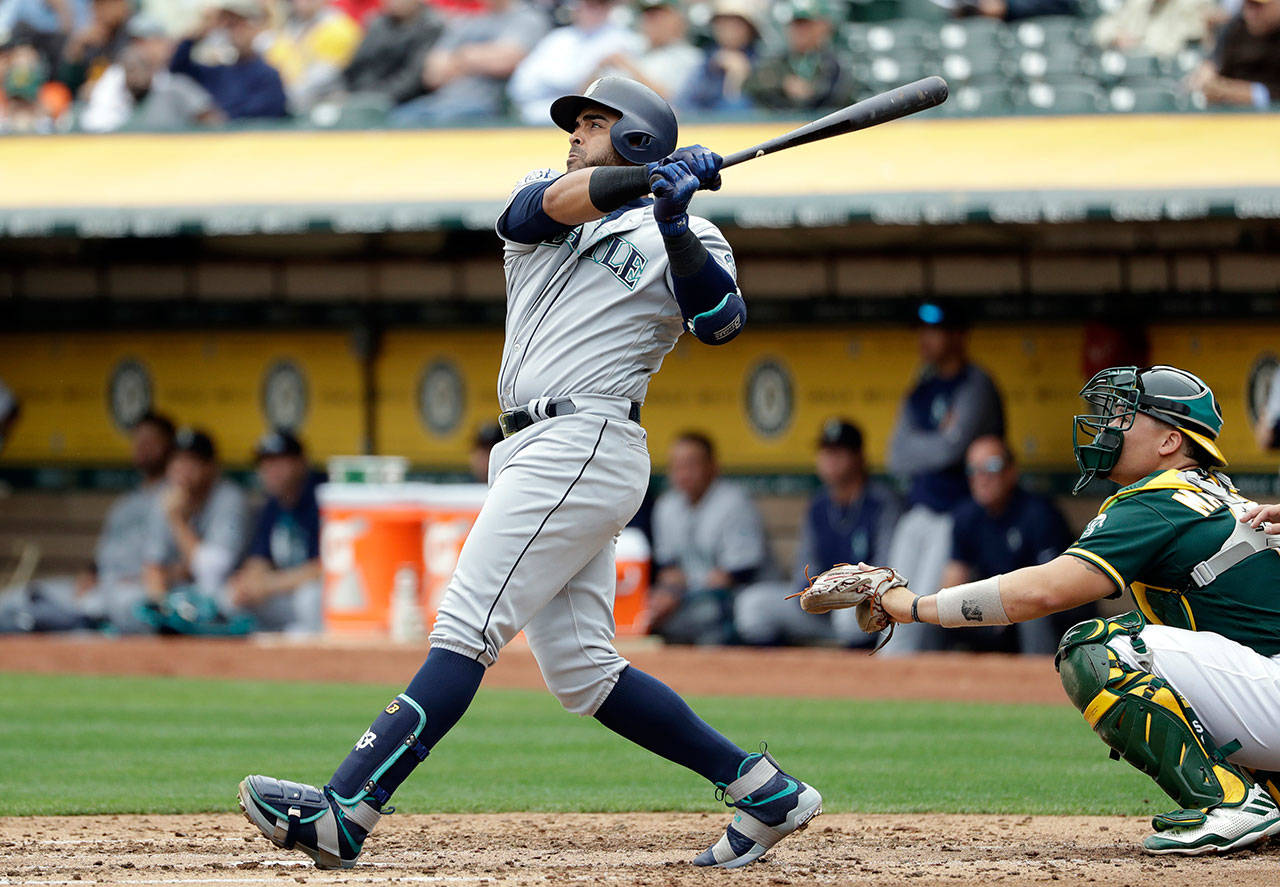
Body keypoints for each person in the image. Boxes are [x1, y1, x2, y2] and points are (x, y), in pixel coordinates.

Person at [239, 75, 820, 872]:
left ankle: (348, 808)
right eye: (576, 124)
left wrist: (676, 219)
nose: (573, 136)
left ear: (641, 136)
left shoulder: (692, 234)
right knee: (583, 673)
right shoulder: (542, 201)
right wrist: (645, 182)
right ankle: (764, 790)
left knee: (464, 626)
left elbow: (719, 322)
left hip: (585, 435)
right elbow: (532, 211)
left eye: (592, 123)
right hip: (529, 446)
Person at [809, 365, 1280, 855]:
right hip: (1267, 692)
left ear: (1168, 442)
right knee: (1148, 639)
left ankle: (1229, 804)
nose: (1106, 425)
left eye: (1124, 415)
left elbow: (1043, 592)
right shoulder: (1216, 495)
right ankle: (1264, 794)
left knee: (1100, 648)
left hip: (1270, 695)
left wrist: (913, 607)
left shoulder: (1161, 499)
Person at [881, 300, 1004, 654]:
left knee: (925, 606)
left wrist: (929, 444)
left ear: (958, 336)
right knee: (888, 600)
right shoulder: (922, 386)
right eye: (924, 331)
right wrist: (938, 440)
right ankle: (884, 677)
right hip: (919, 511)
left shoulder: (975, 383)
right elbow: (895, 455)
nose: (925, 338)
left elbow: (955, 448)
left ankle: (909, 684)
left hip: (956, 513)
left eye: (935, 331)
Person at [735, 419, 900, 646]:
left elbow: (885, 572)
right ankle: (786, 676)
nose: (829, 460)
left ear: (859, 457)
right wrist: (814, 595)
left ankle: (854, 677)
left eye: (838, 452)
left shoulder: (881, 503)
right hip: (823, 607)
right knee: (753, 605)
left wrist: (844, 592)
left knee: (849, 618)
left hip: (865, 605)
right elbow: (805, 569)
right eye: (825, 452)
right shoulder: (819, 505)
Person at [941, 435, 1075, 654]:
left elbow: (1051, 587)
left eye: (992, 467)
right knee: (948, 611)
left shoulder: (1039, 513)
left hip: (1041, 609)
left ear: (1011, 471)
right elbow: (952, 583)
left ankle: (1038, 682)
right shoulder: (966, 516)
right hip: (996, 609)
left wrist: (1004, 607)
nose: (981, 477)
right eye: (972, 469)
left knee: (1032, 616)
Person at [649, 431, 772, 645]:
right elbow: (668, 571)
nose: (683, 473)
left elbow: (734, 575)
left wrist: (680, 591)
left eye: (691, 465)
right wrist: (665, 595)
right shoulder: (666, 506)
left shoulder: (734, 503)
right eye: (677, 466)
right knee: (648, 611)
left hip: (735, 598)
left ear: (712, 467)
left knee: (708, 614)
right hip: (690, 598)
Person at [223, 430, 324, 633]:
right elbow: (259, 558)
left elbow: (323, 568)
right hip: (286, 592)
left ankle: (317, 654)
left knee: (309, 598)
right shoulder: (274, 503)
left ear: (301, 463)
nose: (270, 470)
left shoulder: (321, 497)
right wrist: (249, 582)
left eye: (279, 462)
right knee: (229, 595)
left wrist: (268, 584)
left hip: (321, 597)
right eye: (265, 463)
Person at [388, 0, 547, 125]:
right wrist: (478, 58)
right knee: (394, 120)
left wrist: (458, 58)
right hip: (440, 102)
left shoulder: (527, 19)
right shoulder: (468, 22)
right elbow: (432, 74)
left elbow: (506, 62)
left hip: (487, 107)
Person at [141, 427, 249, 603]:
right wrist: (160, 612)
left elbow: (211, 570)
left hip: (227, 591)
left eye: (191, 461)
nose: (181, 469)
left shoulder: (229, 499)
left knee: (219, 597)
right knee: (131, 601)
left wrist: (177, 520)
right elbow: (153, 568)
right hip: (181, 590)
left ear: (211, 467)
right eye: (175, 461)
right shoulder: (166, 497)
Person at [506, 0, 640, 123]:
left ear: (608, 8)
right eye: (585, 5)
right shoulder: (558, 38)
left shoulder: (623, 39)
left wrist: (557, 84)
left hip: (593, 119)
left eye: (597, 5)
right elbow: (520, 87)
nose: (590, 11)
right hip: (538, 116)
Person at [79, 25, 221, 131]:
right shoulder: (113, 88)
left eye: (147, 41)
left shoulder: (176, 87)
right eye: (135, 42)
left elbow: (215, 123)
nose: (136, 75)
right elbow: (94, 121)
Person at [169, 0, 289, 119]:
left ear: (255, 28)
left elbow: (263, 112)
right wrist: (201, 31)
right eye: (231, 25)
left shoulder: (268, 75)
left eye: (241, 24)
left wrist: (219, 118)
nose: (236, 31)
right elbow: (177, 67)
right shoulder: (218, 73)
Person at [743, 0, 853, 112]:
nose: (800, 31)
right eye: (796, 25)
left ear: (822, 27)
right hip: (779, 125)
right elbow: (752, 86)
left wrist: (812, 91)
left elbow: (840, 94)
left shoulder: (835, 63)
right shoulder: (775, 61)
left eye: (807, 25)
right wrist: (783, 84)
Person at [261, 0, 362, 114]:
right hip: (292, 106)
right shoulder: (290, 27)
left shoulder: (338, 28)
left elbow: (322, 78)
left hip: (326, 108)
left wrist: (280, 95)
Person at [589, 0, 700, 102]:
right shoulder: (631, 49)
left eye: (658, 16)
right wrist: (598, 68)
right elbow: (590, 93)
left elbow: (671, 99)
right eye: (648, 16)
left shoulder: (689, 56)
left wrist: (627, 66)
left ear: (677, 20)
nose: (651, 22)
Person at [340, 0, 442, 108]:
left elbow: (411, 79)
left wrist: (369, 98)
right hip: (361, 95)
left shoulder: (431, 26)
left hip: (405, 102)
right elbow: (356, 66)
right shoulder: (377, 23)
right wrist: (344, 91)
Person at [1186, 0, 1280, 108]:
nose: (1250, 12)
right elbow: (1207, 71)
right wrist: (1207, 84)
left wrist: (1235, 92)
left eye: (1258, 6)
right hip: (1230, 119)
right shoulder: (1237, 27)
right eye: (1248, 4)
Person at [676, 0, 762, 114]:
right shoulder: (706, 63)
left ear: (750, 29)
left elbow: (750, 112)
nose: (728, 30)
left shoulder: (763, 62)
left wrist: (736, 78)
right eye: (722, 24)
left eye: (735, 24)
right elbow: (684, 105)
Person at [1091, 0, 1216, 58]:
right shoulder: (1139, 3)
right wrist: (1116, 36)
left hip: (1169, 73)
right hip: (1133, 69)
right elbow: (1102, 28)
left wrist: (1138, 44)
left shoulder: (1193, 5)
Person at [57, 0, 130, 95]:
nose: (103, 10)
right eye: (99, 5)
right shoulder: (88, 39)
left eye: (109, 4)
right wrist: (76, 48)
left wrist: (99, 87)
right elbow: (66, 83)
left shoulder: (131, 36)